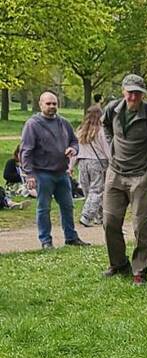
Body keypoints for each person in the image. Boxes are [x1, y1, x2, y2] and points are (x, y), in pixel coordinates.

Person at [102, 74, 147, 284]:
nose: (133, 96)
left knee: (142, 226)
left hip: (140, 176)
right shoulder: (112, 109)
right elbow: (105, 126)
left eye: (137, 93)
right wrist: (112, 147)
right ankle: (118, 263)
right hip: (115, 173)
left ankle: (140, 270)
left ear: (143, 94)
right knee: (109, 221)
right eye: (130, 92)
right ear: (123, 91)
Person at [19, 92, 88, 250]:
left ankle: (71, 237)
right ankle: (46, 241)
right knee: (44, 208)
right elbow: (26, 151)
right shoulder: (33, 124)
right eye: (48, 104)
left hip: (62, 173)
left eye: (54, 104)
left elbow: (74, 141)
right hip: (42, 173)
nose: (52, 107)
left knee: (68, 205)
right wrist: (29, 174)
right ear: (40, 104)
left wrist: (73, 149)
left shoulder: (64, 123)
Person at [75, 105, 110, 226]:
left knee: (88, 189)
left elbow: (76, 148)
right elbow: (106, 149)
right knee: (97, 190)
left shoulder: (81, 130)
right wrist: (112, 161)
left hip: (83, 162)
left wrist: (70, 165)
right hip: (98, 162)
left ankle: (99, 216)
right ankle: (87, 216)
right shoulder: (100, 131)